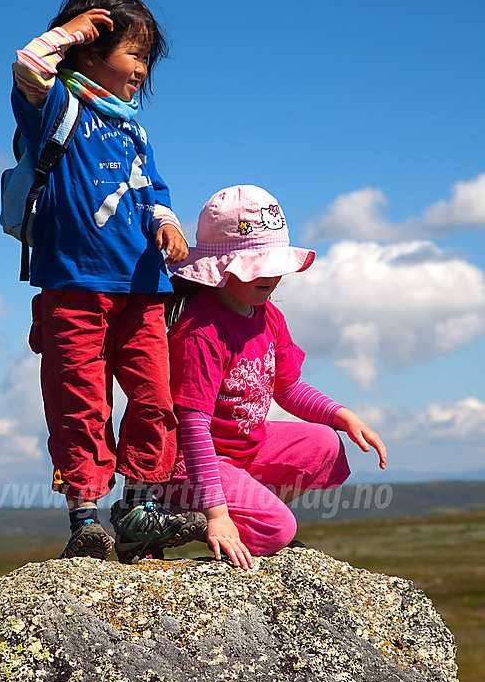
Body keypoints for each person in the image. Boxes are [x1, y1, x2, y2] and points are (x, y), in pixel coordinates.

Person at [11, 0, 206, 562]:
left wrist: (167, 223)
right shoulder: (59, 105)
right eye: (134, 52)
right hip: (73, 285)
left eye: (148, 56)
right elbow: (27, 66)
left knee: (154, 400)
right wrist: (67, 31)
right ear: (92, 48)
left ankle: (141, 507)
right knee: (79, 399)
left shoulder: (135, 132)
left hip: (143, 287)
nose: (143, 68)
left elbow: (154, 189)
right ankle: (85, 518)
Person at [163, 184, 387, 570]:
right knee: (278, 532)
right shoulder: (203, 330)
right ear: (221, 267)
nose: (270, 277)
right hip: (188, 462)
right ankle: (178, 518)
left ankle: (245, 507)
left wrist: (341, 415)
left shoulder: (268, 316)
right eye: (257, 268)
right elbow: (192, 426)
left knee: (326, 448)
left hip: (242, 450)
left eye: (274, 267)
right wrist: (217, 517)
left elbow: (288, 387)